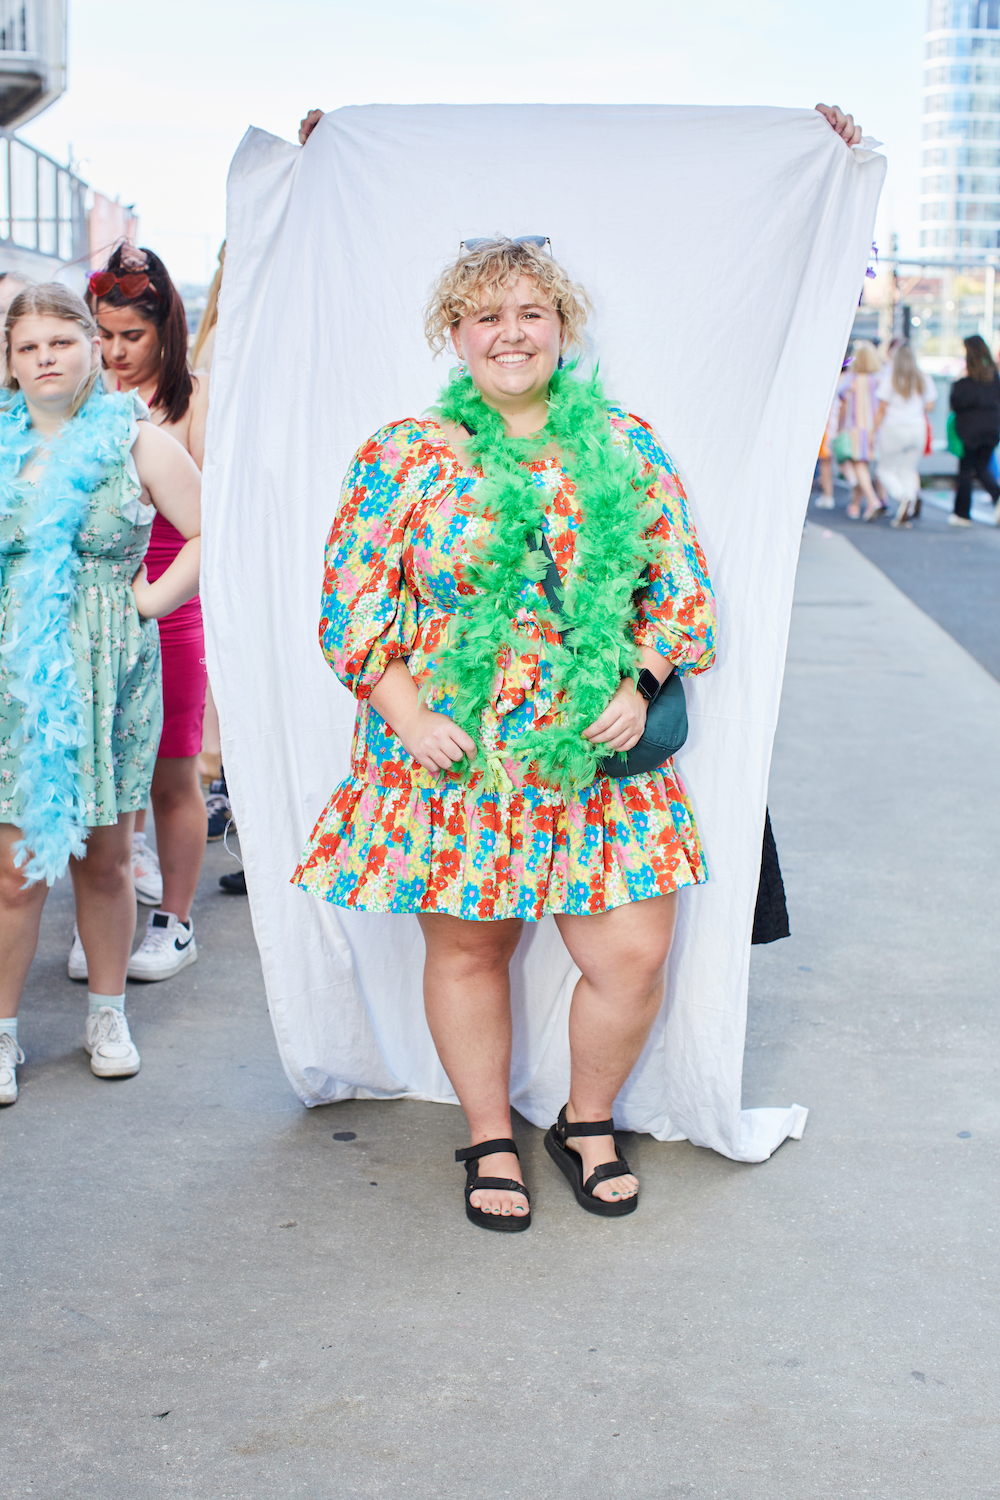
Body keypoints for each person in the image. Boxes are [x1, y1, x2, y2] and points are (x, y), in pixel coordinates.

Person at [292, 232, 718, 1233]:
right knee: (470, 952)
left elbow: (682, 590)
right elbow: (351, 607)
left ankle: (586, 1122)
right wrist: (408, 715)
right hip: (460, 759)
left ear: (563, 328)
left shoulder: (624, 444)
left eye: (531, 313)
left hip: (594, 759)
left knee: (631, 958)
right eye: (487, 315)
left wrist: (641, 683)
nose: (511, 333)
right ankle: (489, 1137)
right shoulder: (402, 455)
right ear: (456, 334)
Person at [0, 284, 201, 1105]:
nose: (45, 358)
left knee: (107, 858)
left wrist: (148, 601)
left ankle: (107, 1015)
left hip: (108, 670)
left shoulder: (135, 439)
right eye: (28, 347)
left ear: (91, 346)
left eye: (60, 341)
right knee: (13, 871)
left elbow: (208, 529)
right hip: (17, 676)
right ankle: (2, 1031)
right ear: (11, 363)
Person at [83, 245, 211, 979]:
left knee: (170, 774)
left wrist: (154, 600)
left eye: (131, 335)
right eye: (103, 334)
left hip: (171, 607)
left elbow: (209, 522)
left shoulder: (195, 401)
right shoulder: (84, 399)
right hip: (98, 613)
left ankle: (175, 921)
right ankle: (105, 911)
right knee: (105, 774)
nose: (116, 351)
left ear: (165, 329)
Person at [873, 341, 935, 528]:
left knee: (884, 470)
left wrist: (872, 430)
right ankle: (908, 505)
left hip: (894, 427)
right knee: (908, 470)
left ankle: (902, 497)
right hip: (917, 428)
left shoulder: (890, 378)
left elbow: (882, 408)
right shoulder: (923, 378)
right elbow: (930, 405)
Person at [948, 334, 1000, 528]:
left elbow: (956, 403)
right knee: (981, 467)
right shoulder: (994, 377)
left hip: (969, 432)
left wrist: (958, 381)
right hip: (992, 429)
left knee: (966, 471)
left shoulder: (965, 381)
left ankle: (962, 514)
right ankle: (997, 496)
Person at [835, 340, 883, 521]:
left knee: (858, 467)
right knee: (863, 467)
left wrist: (839, 428)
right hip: (873, 429)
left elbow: (843, 406)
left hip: (855, 428)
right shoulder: (878, 380)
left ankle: (872, 500)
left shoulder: (851, 380)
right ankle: (855, 504)